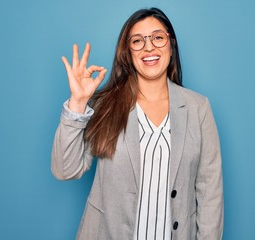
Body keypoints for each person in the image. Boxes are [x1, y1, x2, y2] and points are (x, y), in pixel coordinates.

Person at [52, 7, 224, 240]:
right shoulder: (106, 104)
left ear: (171, 45)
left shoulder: (198, 108)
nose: (149, 47)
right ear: (128, 52)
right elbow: (65, 170)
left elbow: (210, 192)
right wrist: (78, 103)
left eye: (158, 37)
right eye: (137, 41)